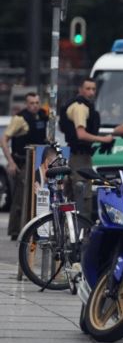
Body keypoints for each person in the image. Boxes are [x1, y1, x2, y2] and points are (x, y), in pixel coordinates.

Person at [59, 78, 115, 219]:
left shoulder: (79, 105)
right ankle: (83, 231)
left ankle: (70, 230)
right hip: (79, 157)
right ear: (81, 90)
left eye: (93, 89)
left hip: (76, 154)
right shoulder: (80, 107)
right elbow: (81, 134)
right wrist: (104, 139)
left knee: (72, 194)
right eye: (88, 88)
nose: (91, 92)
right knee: (83, 194)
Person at [3, 92, 49, 238]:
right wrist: (10, 162)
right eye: (31, 103)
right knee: (20, 198)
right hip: (23, 162)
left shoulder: (43, 115)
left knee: (38, 196)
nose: (35, 106)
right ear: (26, 104)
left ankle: (34, 228)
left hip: (39, 162)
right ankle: (16, 231)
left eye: (37, 102)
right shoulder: (20, 118)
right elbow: (3, 139)